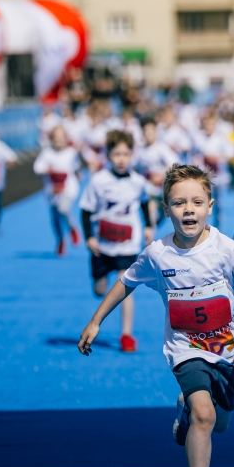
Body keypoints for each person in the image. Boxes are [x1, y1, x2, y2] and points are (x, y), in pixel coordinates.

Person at [78, 164, 234, 467]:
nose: (188, 209)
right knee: (206, 415)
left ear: (210, 206)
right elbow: (125, 282)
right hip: (184, 351)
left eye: (197, 202)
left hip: (228, 351)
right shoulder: (157, 254)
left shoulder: (226, 249)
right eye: (179, 202)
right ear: (165, 209)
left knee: (222, 423)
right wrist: (96, 320)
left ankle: (186, 407)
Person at [79, 130, 156, 353]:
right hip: (102, 244)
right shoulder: (98, 181)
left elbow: (144, 204)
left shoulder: (138, 182)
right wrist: (89, 237)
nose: (121, 159)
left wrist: (149, 226)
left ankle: (126, 335)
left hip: (128, 243)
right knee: (100, 289)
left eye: (125, 154)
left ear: (132, 155)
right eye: (116, 154)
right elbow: (86, 210)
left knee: (126, 285)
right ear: (108, 156)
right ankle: (98, 277)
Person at [33, 126, 83, 255]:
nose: (58, 140)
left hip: (68, 189)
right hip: (52, 191)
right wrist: (46, 170)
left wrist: (78, 174)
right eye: (55, 138)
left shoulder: (71, 153)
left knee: (63, 209)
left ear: (66, 139)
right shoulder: (47, 153)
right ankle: (60, 240)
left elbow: (76, 167)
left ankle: (72, 227)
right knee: (55, 217)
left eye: (61, 137)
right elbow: (37, 168)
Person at [192, 114, 234, 227]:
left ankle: (218, 222)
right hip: (203, 174)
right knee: (202, 199)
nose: (208, 127)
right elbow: (193, 154)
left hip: (218, 174)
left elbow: (233, 153)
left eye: (211, 124)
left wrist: (217, 158)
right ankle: (202, 223)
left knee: (218, 200)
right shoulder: (198, 138)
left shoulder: (221, 139)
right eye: (206, 124)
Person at [133, 117, 180, 227]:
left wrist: (161, 174)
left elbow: (175, 163)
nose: (149, 135)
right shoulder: (140, 151)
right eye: (146, 132)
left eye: (151, 131)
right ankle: (150, 237)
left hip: (163, 188)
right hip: (149, 189)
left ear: (155, 132)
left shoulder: (161, 148)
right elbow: (133, 167)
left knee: (165, 214)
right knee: (150, 214)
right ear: (142, 134)